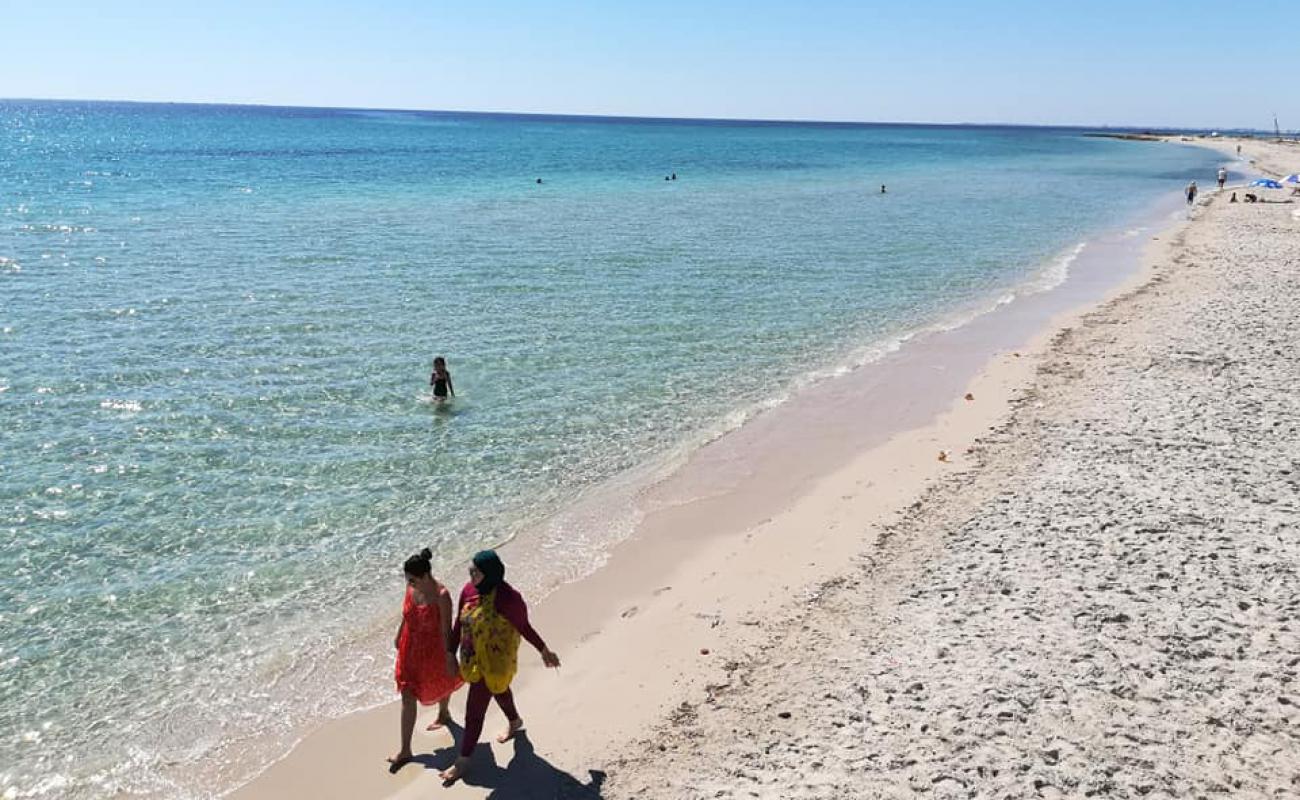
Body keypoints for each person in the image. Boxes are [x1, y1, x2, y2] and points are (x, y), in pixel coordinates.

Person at [440, 550, 560, 782]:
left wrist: (544, 650)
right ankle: (515, 721)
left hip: (497, 658)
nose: (470, 574)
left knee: (474, 709)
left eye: (475, 571)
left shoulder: (508, 598)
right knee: (499, 689)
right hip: (472, 656)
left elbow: (524, 626)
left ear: (490, 574)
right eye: (470, 570)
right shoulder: (468, 590)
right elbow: (458, 623)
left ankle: (463, 760)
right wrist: (449, 653)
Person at [389, 549, 464, 771]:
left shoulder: (442, 596)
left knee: (443, 681)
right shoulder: (411, 587)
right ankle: (405, 749)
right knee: (407, 694)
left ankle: (444, 713)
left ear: (425, 576)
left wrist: (450, 656)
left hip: (433, 650)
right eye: (407, 580)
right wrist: (398, 634)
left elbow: (447, 630)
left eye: (413, 579)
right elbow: (406, 614)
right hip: (409, 649)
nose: (409, 584)